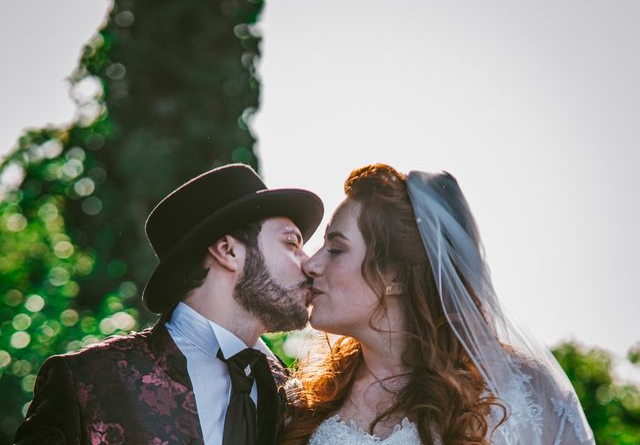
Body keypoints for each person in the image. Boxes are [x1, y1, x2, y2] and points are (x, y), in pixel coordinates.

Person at [281, 163, 594, 445]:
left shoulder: (519, 392)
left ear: (396, 275)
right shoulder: (307, 395)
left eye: (336, 249)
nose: (311, 264)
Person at [14, 163, 324, 445]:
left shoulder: (300, 397)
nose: (310, 264)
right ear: (228, 251)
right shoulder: (87, 380)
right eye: (292, 243)